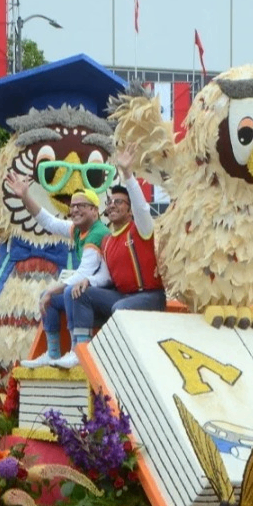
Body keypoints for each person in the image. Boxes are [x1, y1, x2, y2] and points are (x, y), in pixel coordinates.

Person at [64, 144, 166, 368]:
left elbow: (142, 208)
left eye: (118, 202)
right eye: (110, 202)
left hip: (150, 296)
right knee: (81, 294)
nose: (112, 205)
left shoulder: (141, 229)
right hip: (122, 296)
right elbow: (105, 276)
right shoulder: (108, 241)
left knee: (119, 309)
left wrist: (128, 174)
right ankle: (79, 352)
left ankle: (127, 362)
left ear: (129, 210)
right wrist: (87, 281)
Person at [5, 170, 110, 369]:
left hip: (104, 290)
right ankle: (53, 353)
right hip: (88, 288)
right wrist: (26, 196)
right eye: (73, 206)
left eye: (81, 206)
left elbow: (84, 274)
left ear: (95, 211)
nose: (75, 210)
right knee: (51, 298)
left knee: (72, 291)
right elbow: (50, 222)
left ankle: (78, 351)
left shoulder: (98, 233)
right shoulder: (79, 229)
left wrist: (53, 289)